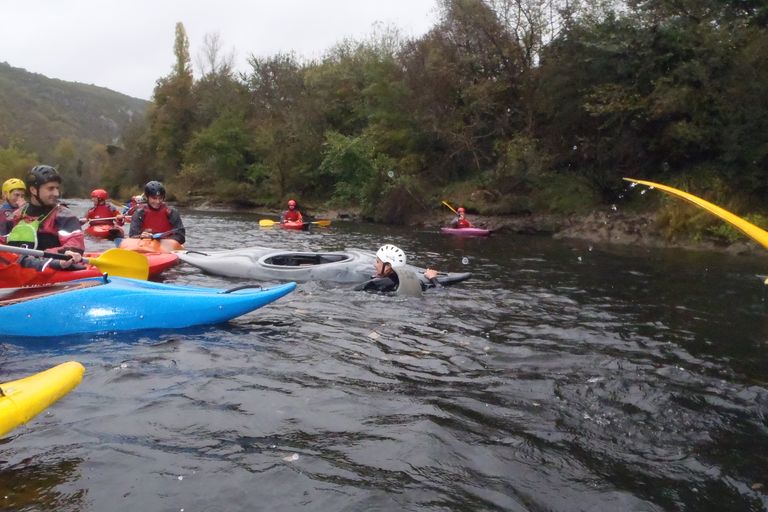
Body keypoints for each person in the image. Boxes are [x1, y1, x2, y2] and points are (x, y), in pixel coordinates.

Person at [0, 165, 84, 270]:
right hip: (18, 266)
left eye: (57, 188)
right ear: (33, 190)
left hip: (51, 267)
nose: (56, 193)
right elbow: (2, 241)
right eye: (50, 188)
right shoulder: (16, 215)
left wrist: (67, 253)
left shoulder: (64, 215)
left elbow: (75, 245)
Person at [354, 244, 439, 293]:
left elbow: (353, 291)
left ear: (387, 266)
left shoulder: (375, 283)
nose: (374, 265)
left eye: (377, 262)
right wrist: (433, 278)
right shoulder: (416, 282)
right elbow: (438, 288)